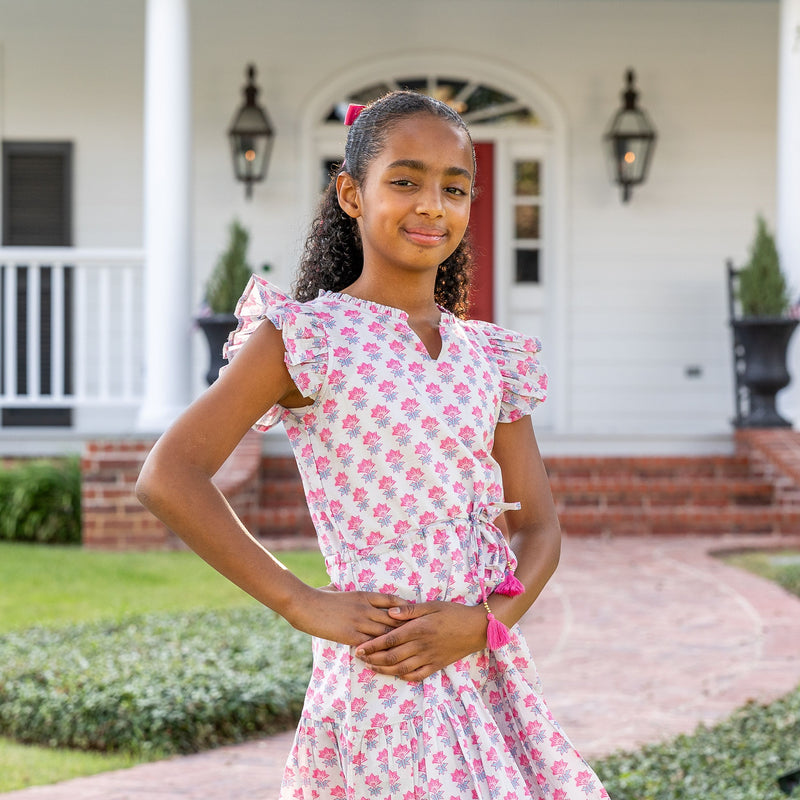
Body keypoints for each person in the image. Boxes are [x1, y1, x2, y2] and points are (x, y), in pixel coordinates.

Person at [137, 90, 608, 800]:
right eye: (406, 181)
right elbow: (170, 475)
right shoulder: (307, 338)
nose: (432, 205)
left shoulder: (489, 357)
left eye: (455, 188)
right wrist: (300, 603)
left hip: (480, 667)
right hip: (385, 678)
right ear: (352, 194)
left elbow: (539, 528)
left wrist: (485, 626)